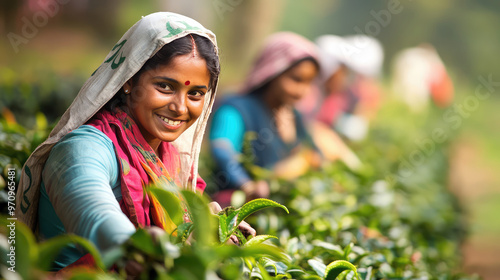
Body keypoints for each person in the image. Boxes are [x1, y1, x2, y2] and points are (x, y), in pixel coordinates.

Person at [15, 12, 253, 273]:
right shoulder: (83, 148)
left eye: (195, 93)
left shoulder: (163, 155)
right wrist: (133, 244)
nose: (180, 107)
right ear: (129, 80)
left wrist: (205, 225)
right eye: (165, 87)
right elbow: (93, 209)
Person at [209, 32, 320, 207]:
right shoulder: (236, 108)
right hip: (234, 207)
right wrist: (246, 184)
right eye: (296, 79)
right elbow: (222, 149)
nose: (302, 91)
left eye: (309, 82)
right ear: (273, 71)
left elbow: (313, 151)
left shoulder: (293, 114)